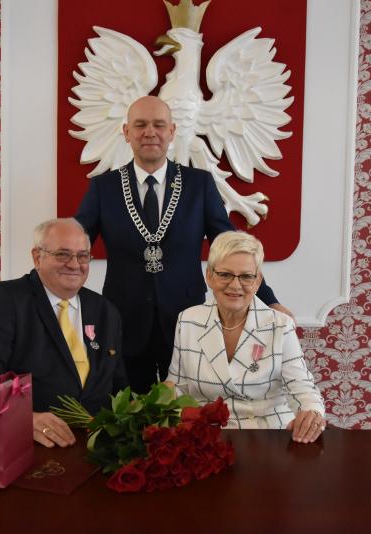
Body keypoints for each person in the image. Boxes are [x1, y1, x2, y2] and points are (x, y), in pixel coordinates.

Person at [75, 95, 292, 393]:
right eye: (140, 125)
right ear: (126, 132)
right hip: (124, 320)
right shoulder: (104, 187)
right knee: (127, 412)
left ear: (172, 131)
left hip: (187, 321)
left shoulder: (199, 184)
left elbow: (232, 248)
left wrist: (269, 300)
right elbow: (74, 247)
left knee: (185, 413)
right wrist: (48, 295)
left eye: (158, 125)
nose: (149, 132)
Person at [0, 218, 127, 448]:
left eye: (82, 256)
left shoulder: (105, 311)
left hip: (92, 446)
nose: (74, 264)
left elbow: (118, 386)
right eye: (62, 254)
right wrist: (21, 418)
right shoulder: (6, 299)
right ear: (37, 257)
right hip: (22, 443)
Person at [165, 231, 325, 443]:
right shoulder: (188, 320)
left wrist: (312, 413)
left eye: (246, 276)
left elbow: (302, 388)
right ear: (209, 276)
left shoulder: (281, 325)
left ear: (257, 281)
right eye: (225, 274)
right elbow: (177, 387)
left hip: (269, 435)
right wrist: (150, 411)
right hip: (207, 435)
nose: (235, 285)